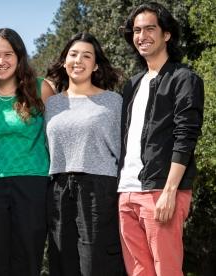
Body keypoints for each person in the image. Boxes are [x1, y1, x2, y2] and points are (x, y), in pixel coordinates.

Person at [118, 2, 204, 275]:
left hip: (161, 192)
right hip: (126, 191)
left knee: (166, 270)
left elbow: (186, 136)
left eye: (149, 29)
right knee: (138, 271)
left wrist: (169, 192)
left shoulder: (184, 78)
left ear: (166, 34)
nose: (142, 36)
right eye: (136, 30)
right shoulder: (132, 84)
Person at [0, 28, 54, 276]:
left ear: (19, 57)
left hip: (32, 182)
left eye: (8, 54)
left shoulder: (42, 89)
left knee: (27, 258)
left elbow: (57, 135)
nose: (1, 61)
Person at [44, 32, 125, 276]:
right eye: (73, 54)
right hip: (58, 188)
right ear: (64, 61)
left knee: (95, 264)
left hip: (99, 187)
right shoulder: (52, 103)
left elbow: (124, 150)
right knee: (61, 261)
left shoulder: (113, 101)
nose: (78, 60)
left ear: (96, 65)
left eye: (86, 56)